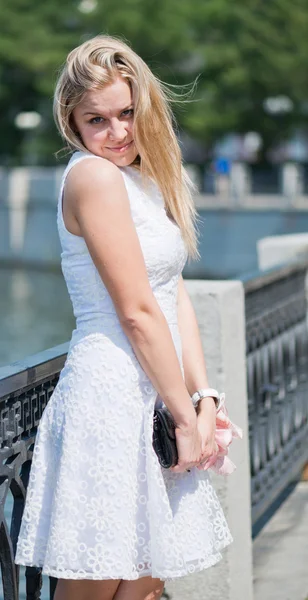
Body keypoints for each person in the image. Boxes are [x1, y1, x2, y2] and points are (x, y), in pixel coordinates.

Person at [15, 35, 233, 600]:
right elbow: (136, 313)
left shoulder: (144, 178)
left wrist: (203, 396)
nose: (117, 133)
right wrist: (187, 420)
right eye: (97, 120)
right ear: (72, 122)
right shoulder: (93, 177)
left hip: (156, 393)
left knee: (144, 584)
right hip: (110, 400)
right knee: (100, 584)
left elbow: (172, 293)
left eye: (127, 113)